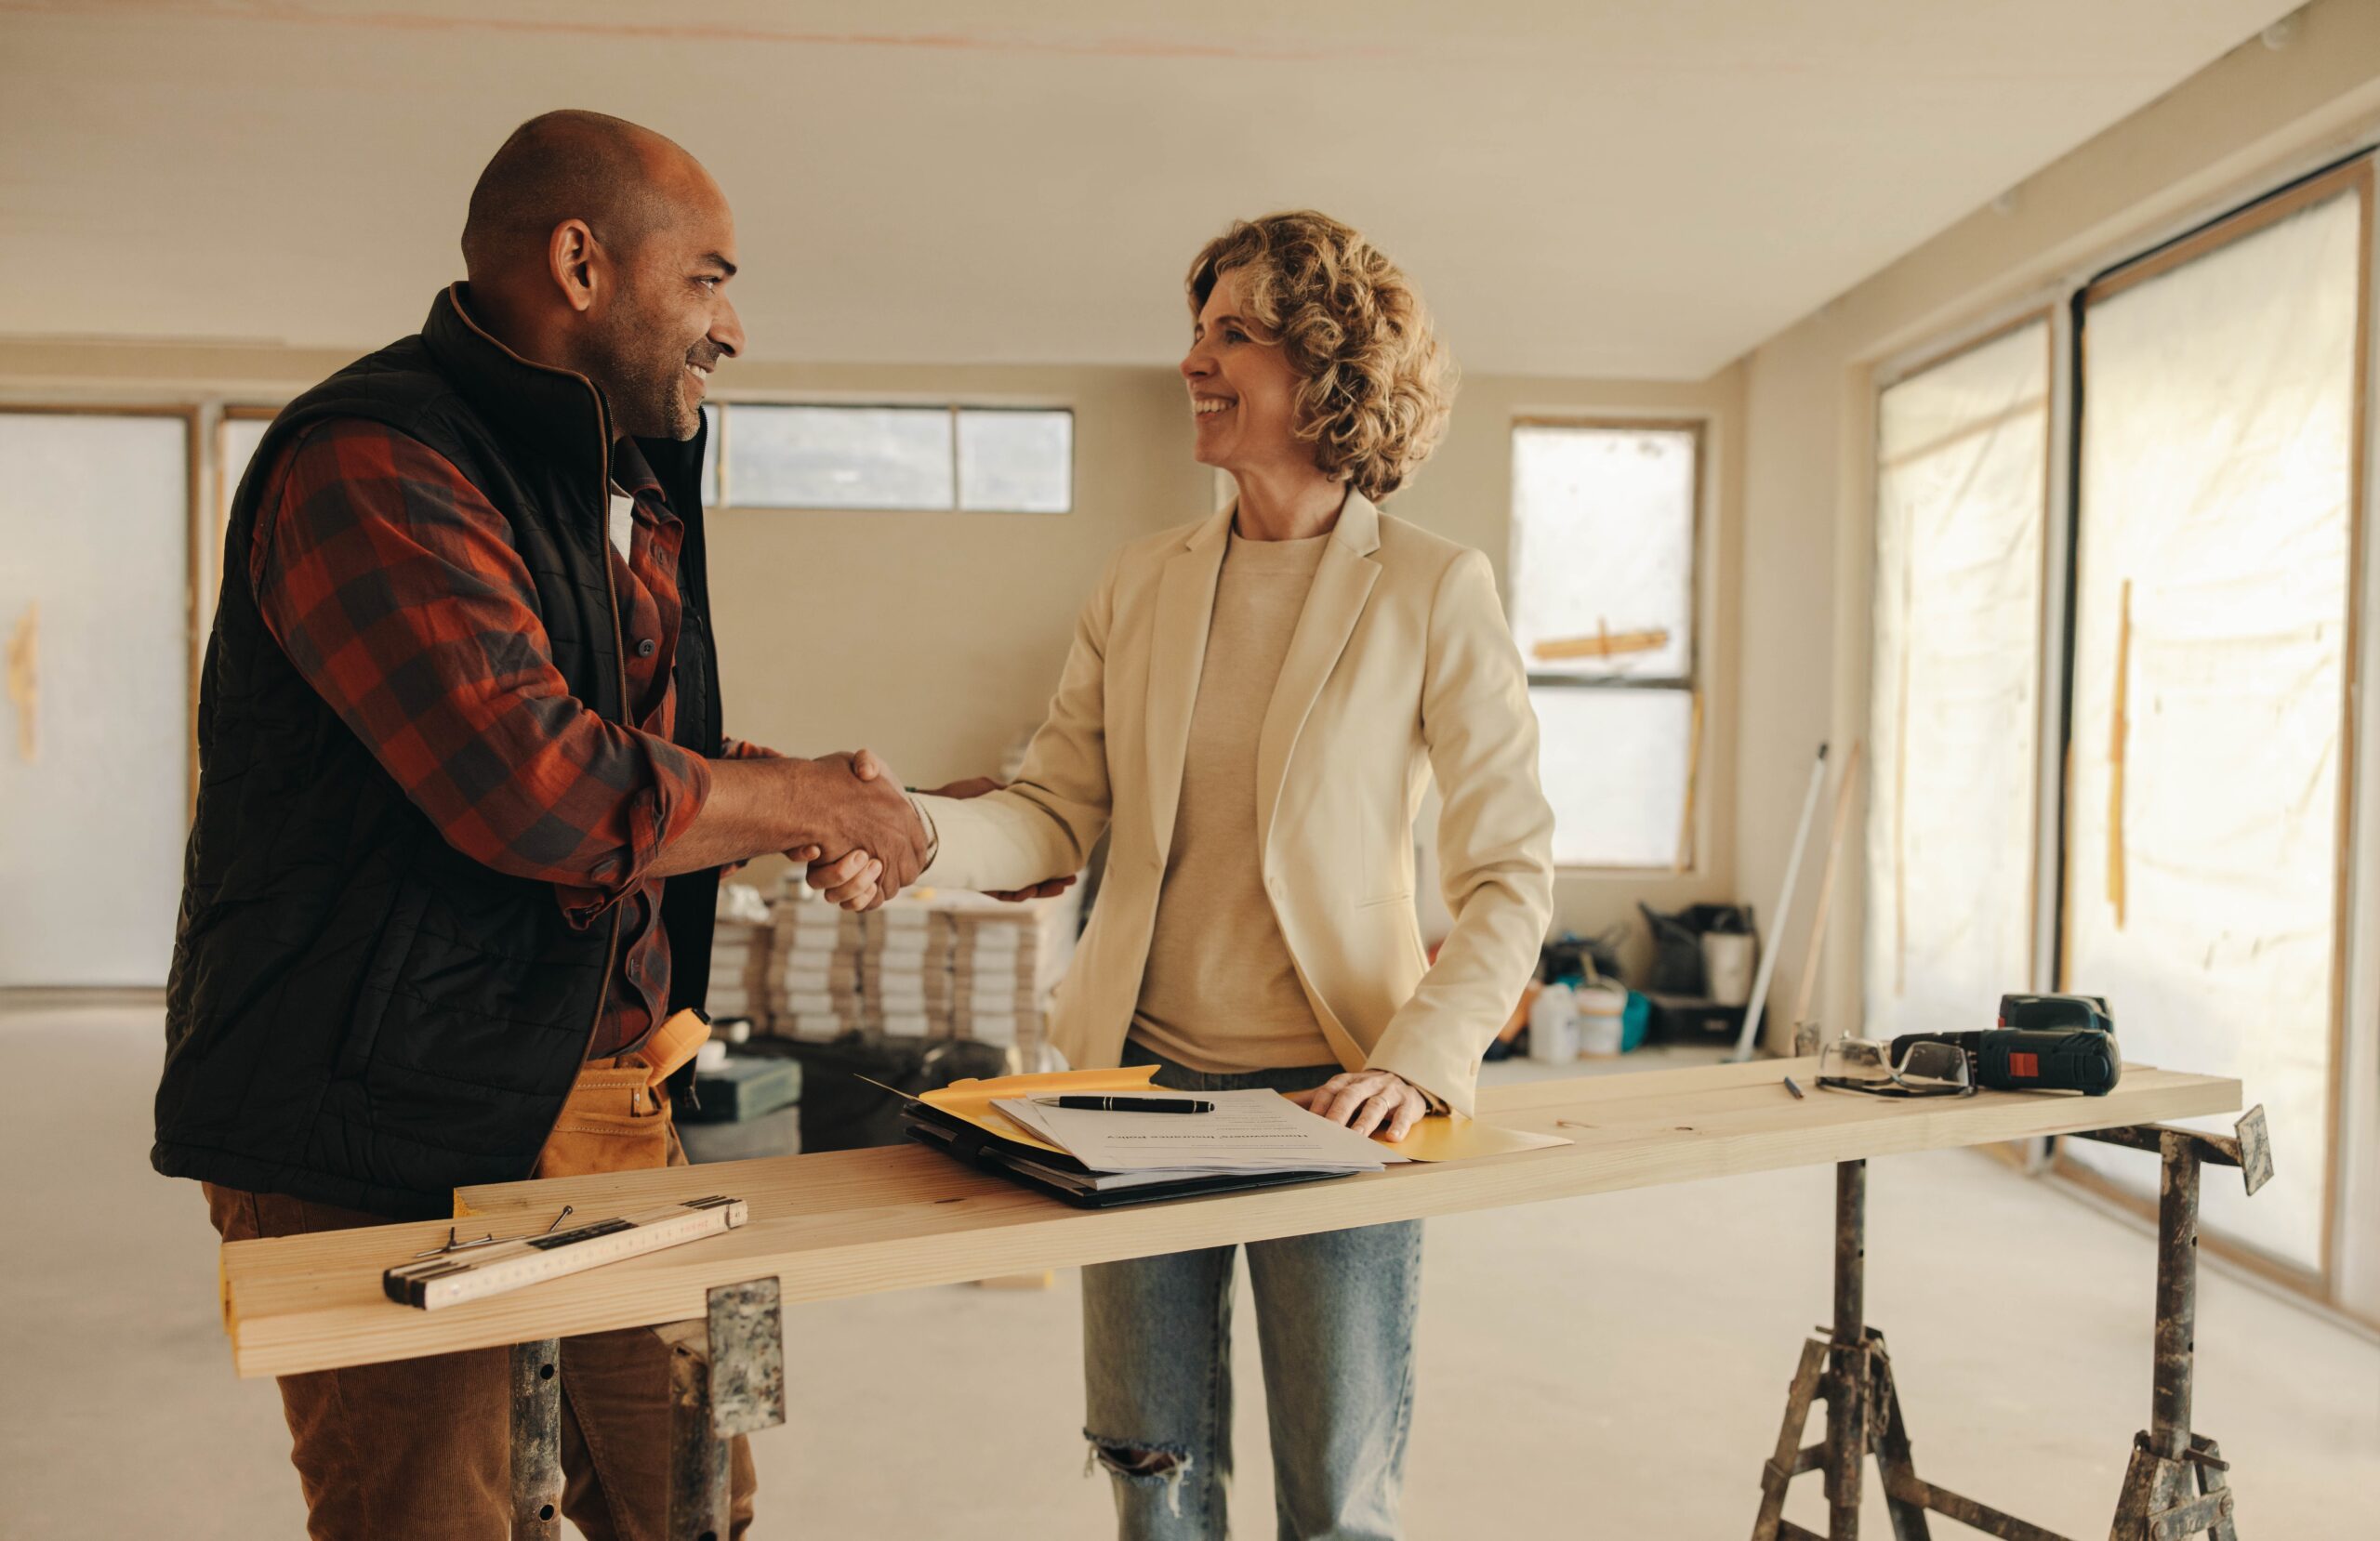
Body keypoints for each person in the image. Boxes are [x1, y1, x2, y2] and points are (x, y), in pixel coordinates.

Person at [152, 110, 924, 1540]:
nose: (733, 327)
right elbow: (539, 785)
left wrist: (831, 800)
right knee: (445, 1519)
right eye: (709, 280)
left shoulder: (605, 476)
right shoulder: (367, 459)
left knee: (704, 1494)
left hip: (615, 1097)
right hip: (378, 1130)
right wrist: (808, 798)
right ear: (582, 263)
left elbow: (637, 751)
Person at [841, 210, 1556, 1539]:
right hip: (1135, 1095)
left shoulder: (1433, 587)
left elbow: (1510, 871)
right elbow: (1054, 813)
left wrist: (1419, 1063)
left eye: (1234, 332)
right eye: (1198, 328)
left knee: (1336, 1499)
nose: (1193, 359)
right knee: (1151, 1477)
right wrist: (913, 834)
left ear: (1329, 369)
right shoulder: (1140, 583)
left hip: (1338, 1102)